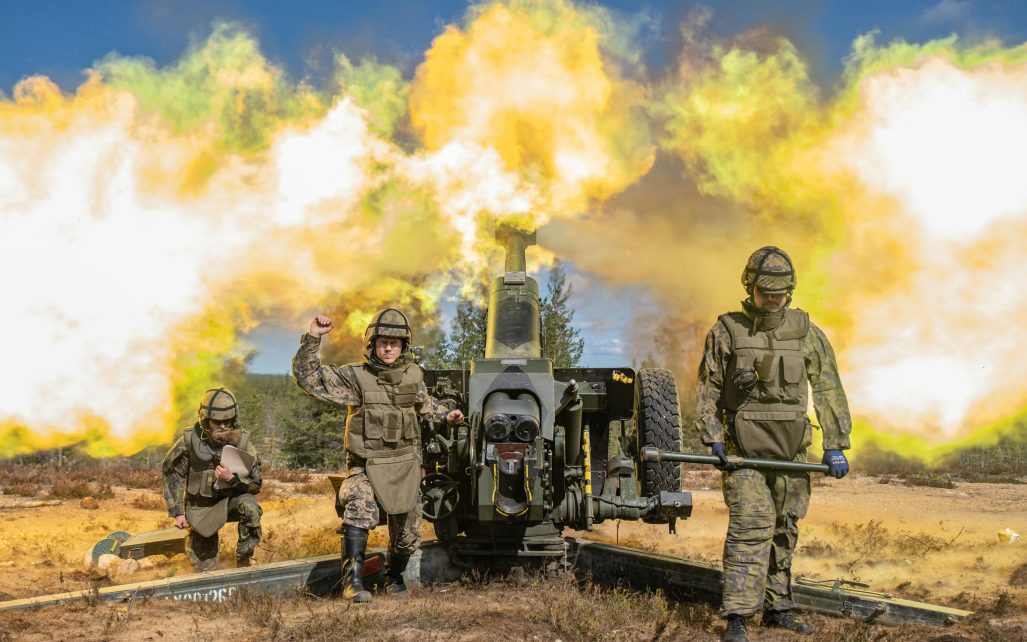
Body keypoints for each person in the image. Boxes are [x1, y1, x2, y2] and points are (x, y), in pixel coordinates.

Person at [695, 247, 852, 642]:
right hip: (744, 454)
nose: (774, 299)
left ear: (791, 290)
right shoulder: (727, 330)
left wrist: (836, 443)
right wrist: (713, 437)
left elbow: (828, 387)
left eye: (781, 293)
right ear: (750, 287)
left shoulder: (806, 332)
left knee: (785, 528)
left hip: (792, 453)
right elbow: (709, 388)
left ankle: (778, 609)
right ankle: (738, 617)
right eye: (767, 292)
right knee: (752, 526)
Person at [292, 308, 463, 603]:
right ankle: (353, 583)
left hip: (406, 467)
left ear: (403, 347)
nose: (388, 348)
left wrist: (447, 415)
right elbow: (310, 379)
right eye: (383, 342)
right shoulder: (355, 378)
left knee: (407, 536)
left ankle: (393, 576)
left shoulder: (413, 376)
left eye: (394, 343)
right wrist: (313, 338)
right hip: (366, 467)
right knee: (358, 507)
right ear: (372, 344)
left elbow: (425, 405)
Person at [162, 387, 263, 571]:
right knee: (205, 569)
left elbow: (256, 485)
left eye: (227, 421)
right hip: (201, 508)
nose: (223, 426)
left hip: (231, 501)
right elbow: (172, 474)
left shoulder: (243, 444)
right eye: (217, 421)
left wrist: (232, 479)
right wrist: (177, 512)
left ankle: (244, 564)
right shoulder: (189, 441)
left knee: (251, 508)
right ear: (205, 420)